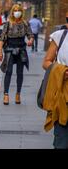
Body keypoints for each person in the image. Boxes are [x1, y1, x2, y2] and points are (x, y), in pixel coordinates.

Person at [42, 11, 68, 149]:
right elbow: (46, 62)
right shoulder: (60, 36)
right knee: (62, 138)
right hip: (62, 90)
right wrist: (60, 71)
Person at [0, 4, 33, 105]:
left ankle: (18, 94)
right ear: (12, 12)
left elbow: (30, 35)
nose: (17, 12)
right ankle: (6, 94)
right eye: (15, 10)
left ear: (22, 12)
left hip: (21, 49)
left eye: (19, 10)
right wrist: (0, 52)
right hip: (9, 50)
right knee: (8, 72)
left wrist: (30, 40)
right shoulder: (8, 24)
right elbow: (2, 39)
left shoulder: (25, 23)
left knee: (20, 73)